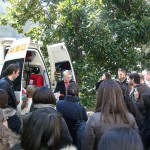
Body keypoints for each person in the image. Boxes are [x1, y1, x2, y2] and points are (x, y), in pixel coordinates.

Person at [81, 79, 138, 150]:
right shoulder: (130, 117)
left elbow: (86, 147)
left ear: (101, 96)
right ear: (119, 96)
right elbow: (136, 144)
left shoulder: (95, 119)